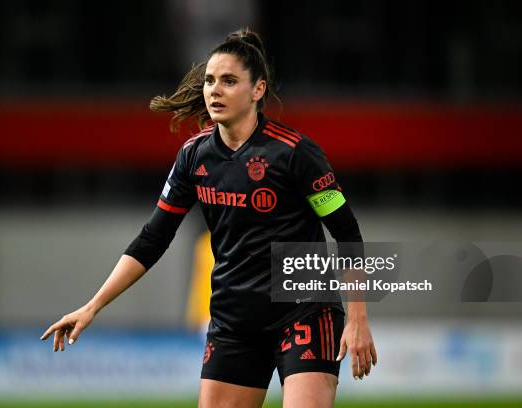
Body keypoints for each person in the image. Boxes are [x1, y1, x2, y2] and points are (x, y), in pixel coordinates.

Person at [41, 28, 377, 408]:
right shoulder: (194, 156)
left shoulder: (298, 154)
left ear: (258, 90)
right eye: (210, 81)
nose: (215, 90)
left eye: (229, 81)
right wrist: (93, 305)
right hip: (235, 323)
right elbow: (153, 238)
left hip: (305, 313)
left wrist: (357, 316)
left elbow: (346, 231)